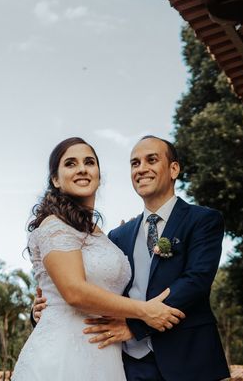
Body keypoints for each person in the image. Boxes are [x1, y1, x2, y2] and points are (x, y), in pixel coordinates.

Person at [33, 136, 230, 381]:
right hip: (129, 365)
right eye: (135, 163)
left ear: (174, 169)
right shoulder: (118, 236)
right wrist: (45, 308)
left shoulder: (203, 220)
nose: (142, 168)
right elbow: (89, 284)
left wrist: (136, 326)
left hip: (189, 359)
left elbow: (197, 280)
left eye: (152, 160)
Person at [12, 137, 185, 381]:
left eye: (89, 162)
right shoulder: (54, 226)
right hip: (64, 356)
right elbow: (74, 292)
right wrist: (144, 312)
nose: (82, 168)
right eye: (70, 164)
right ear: (55, 179)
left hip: (108, 357)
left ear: (99, 175)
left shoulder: (106, 237)